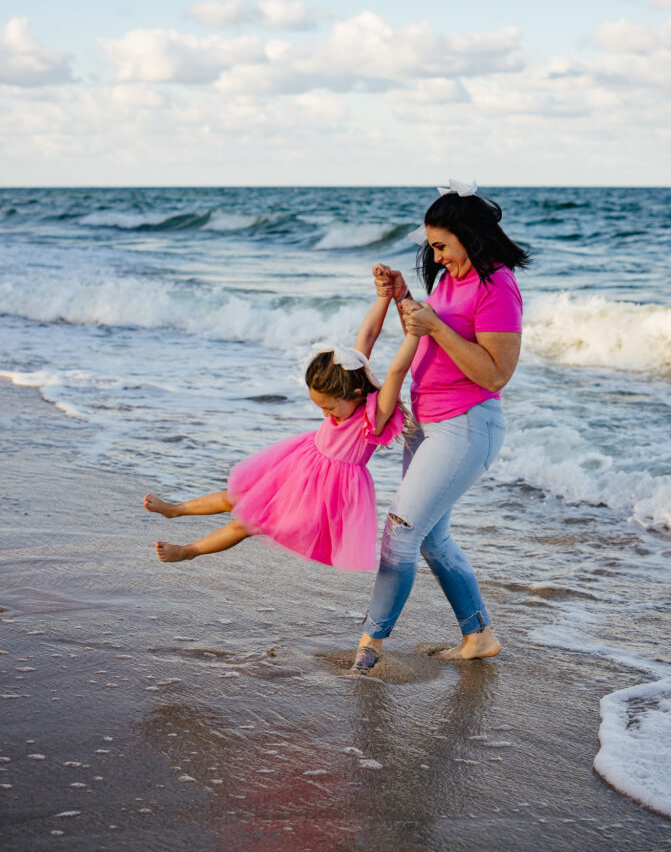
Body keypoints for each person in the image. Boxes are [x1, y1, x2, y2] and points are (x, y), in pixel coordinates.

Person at [351, 180, 530, 672]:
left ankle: (368, 648)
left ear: (469, 236)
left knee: (400, 533)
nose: (435, 254)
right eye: (432, 246)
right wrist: (403, 295)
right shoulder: (454, 278)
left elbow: (496, 373)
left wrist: (436, 327)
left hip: (466, 427)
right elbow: (433, 327)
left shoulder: (498, 287)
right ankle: (479, 637)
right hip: (426, 426)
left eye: (440, 245)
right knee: (430, 539)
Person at [145, 284, 419, 573]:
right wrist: (383, 297)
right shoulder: (346, 374)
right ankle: (176, 510)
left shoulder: (374, 417)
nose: (326, 414)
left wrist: (415, 333)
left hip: (323, 494)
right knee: (235, 498)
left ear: (352, 392)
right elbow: (366, 336)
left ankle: (188, 551)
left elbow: (397, 371)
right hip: (297, 467)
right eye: (320, 408)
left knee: (247, 523)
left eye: (329, 407)